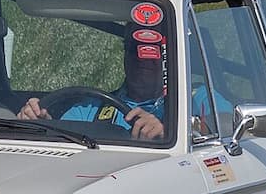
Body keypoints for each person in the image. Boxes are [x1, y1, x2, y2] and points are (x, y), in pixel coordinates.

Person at [17, 28, 167, 140]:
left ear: (170, 58)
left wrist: (163, 134)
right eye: (135, 49)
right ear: (125, 54)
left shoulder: (184, 110)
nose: (143, 59)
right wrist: (40, 124)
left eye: (153, 51)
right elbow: (63, 145)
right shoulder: (88, 110)